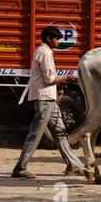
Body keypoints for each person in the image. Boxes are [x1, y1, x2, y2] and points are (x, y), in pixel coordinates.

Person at [11, 26, 85, 179]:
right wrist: (67, 78)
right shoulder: (45, 53)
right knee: (36, 134)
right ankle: (20, 168)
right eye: (57, 39)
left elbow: (48, 80)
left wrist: (59, 84)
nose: (58, 42)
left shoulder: (42, 51)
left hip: (48, 99)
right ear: (49, 39)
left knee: (60, 131)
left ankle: (73, 165)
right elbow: (49, 79)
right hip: (44, 100)